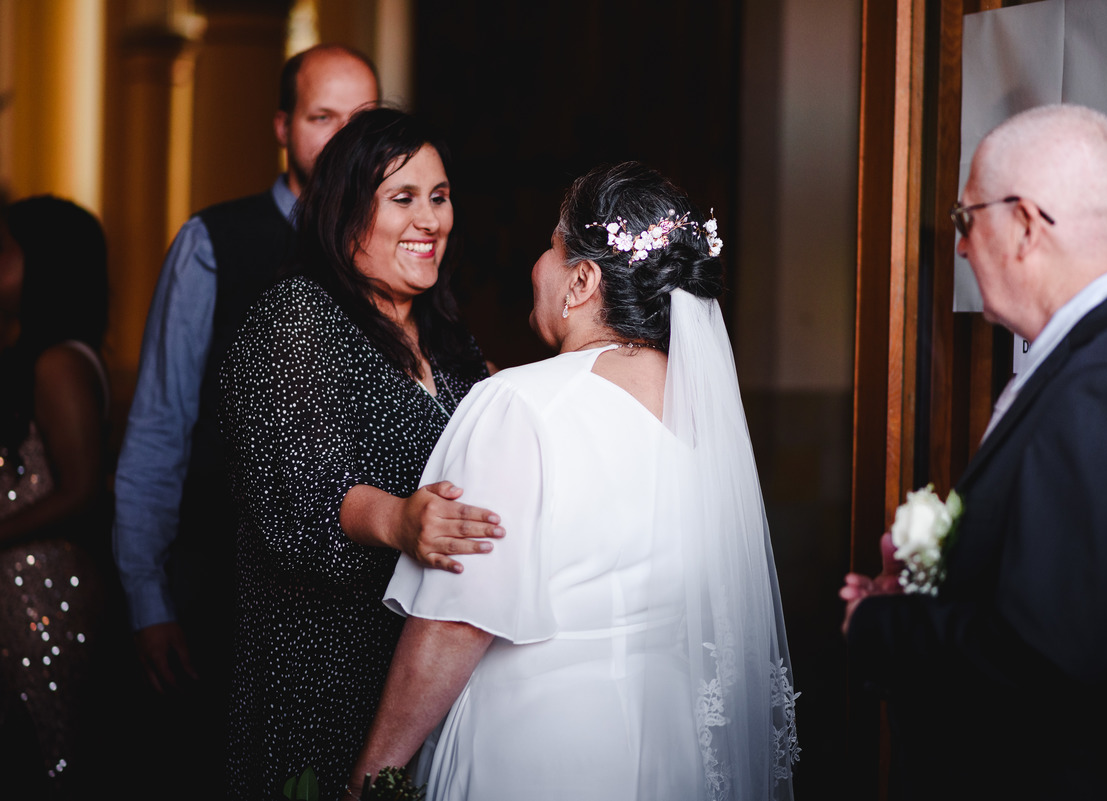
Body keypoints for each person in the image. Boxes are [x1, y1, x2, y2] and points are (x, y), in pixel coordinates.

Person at [348, 162, 800, 801]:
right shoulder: (706, 417)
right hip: (672, 755)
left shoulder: (517, 402)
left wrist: (371, 777)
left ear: (582, 280)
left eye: (551, 248)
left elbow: (456, 622)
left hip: (536, 753)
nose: (539, 265)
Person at [841, 104, 1107, 800]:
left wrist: (882, 626)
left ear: (1028, 225)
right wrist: (932, 587)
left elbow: (1046, 661)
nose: (962, 248)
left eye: (965, 220)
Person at [110, 43, 379, 790]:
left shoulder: (404, 244)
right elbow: (160, 426)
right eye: (324, 117)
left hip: (357, 605)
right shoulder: (212, 243)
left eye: (364, 118)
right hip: (219, 584)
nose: (345, 138)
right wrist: (147, 599)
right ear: (282, 126)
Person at [219, 106, 503, 800]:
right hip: (326, 671)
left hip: (432, 675)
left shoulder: (449, 341)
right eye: (403, 198)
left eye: (439, 197)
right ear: (345, 212)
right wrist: (403, 521)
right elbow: (304, 489)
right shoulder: (297, 317)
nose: (430, 220)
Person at [0, 196, 112, 798]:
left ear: (44, 264)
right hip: (23, 585)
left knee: (52, 757)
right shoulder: (37, 356)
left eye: (3, 250)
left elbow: (81, 490)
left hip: (47, 587)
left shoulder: (59, 362)